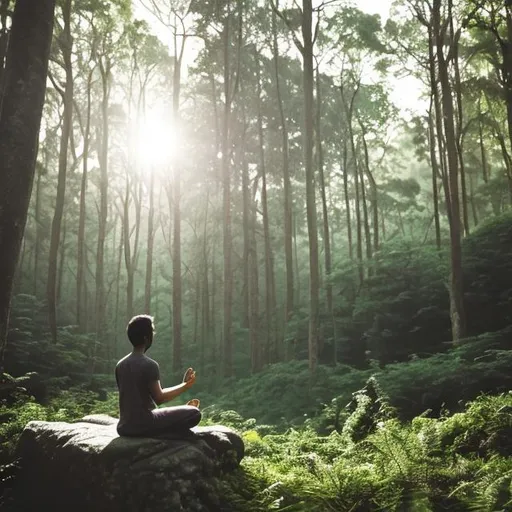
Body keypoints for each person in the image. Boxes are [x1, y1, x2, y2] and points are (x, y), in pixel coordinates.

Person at [115, 314, 201, 437]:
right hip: (146, 423)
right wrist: (185, 386)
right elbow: (160, 398)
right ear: (146, 338)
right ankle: (173, 426)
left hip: (124, 426)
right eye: (152, 332)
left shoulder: (120, 365)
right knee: (194, 412)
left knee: (173, 413)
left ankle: (174, 420)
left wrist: (183, 384)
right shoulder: (150, 364)